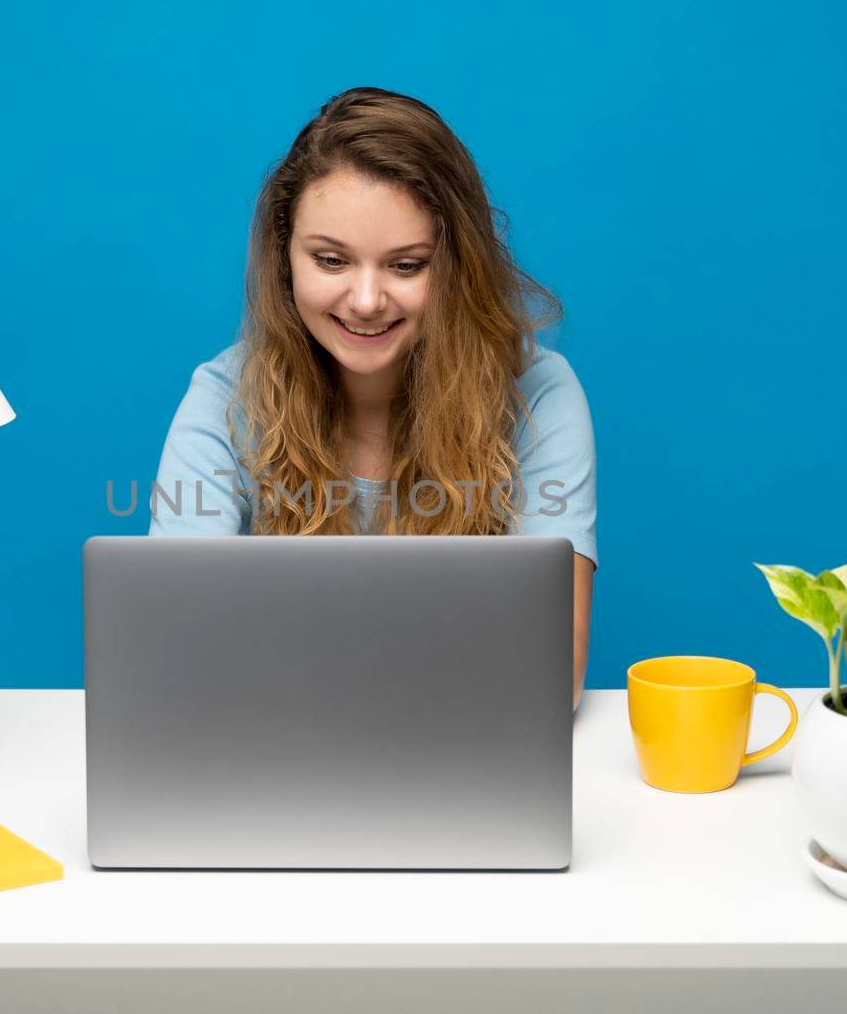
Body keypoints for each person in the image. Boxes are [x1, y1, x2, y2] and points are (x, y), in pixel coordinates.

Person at [150, 87, 597, 710]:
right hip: (275, 760)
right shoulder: (226, 399)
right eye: (330, 260)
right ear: (286, 259)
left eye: (407, 266)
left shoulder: (537, 394)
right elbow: (177, 651)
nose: (365, 300)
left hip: (458, 759)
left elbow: (554, 671)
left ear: (458, 265)